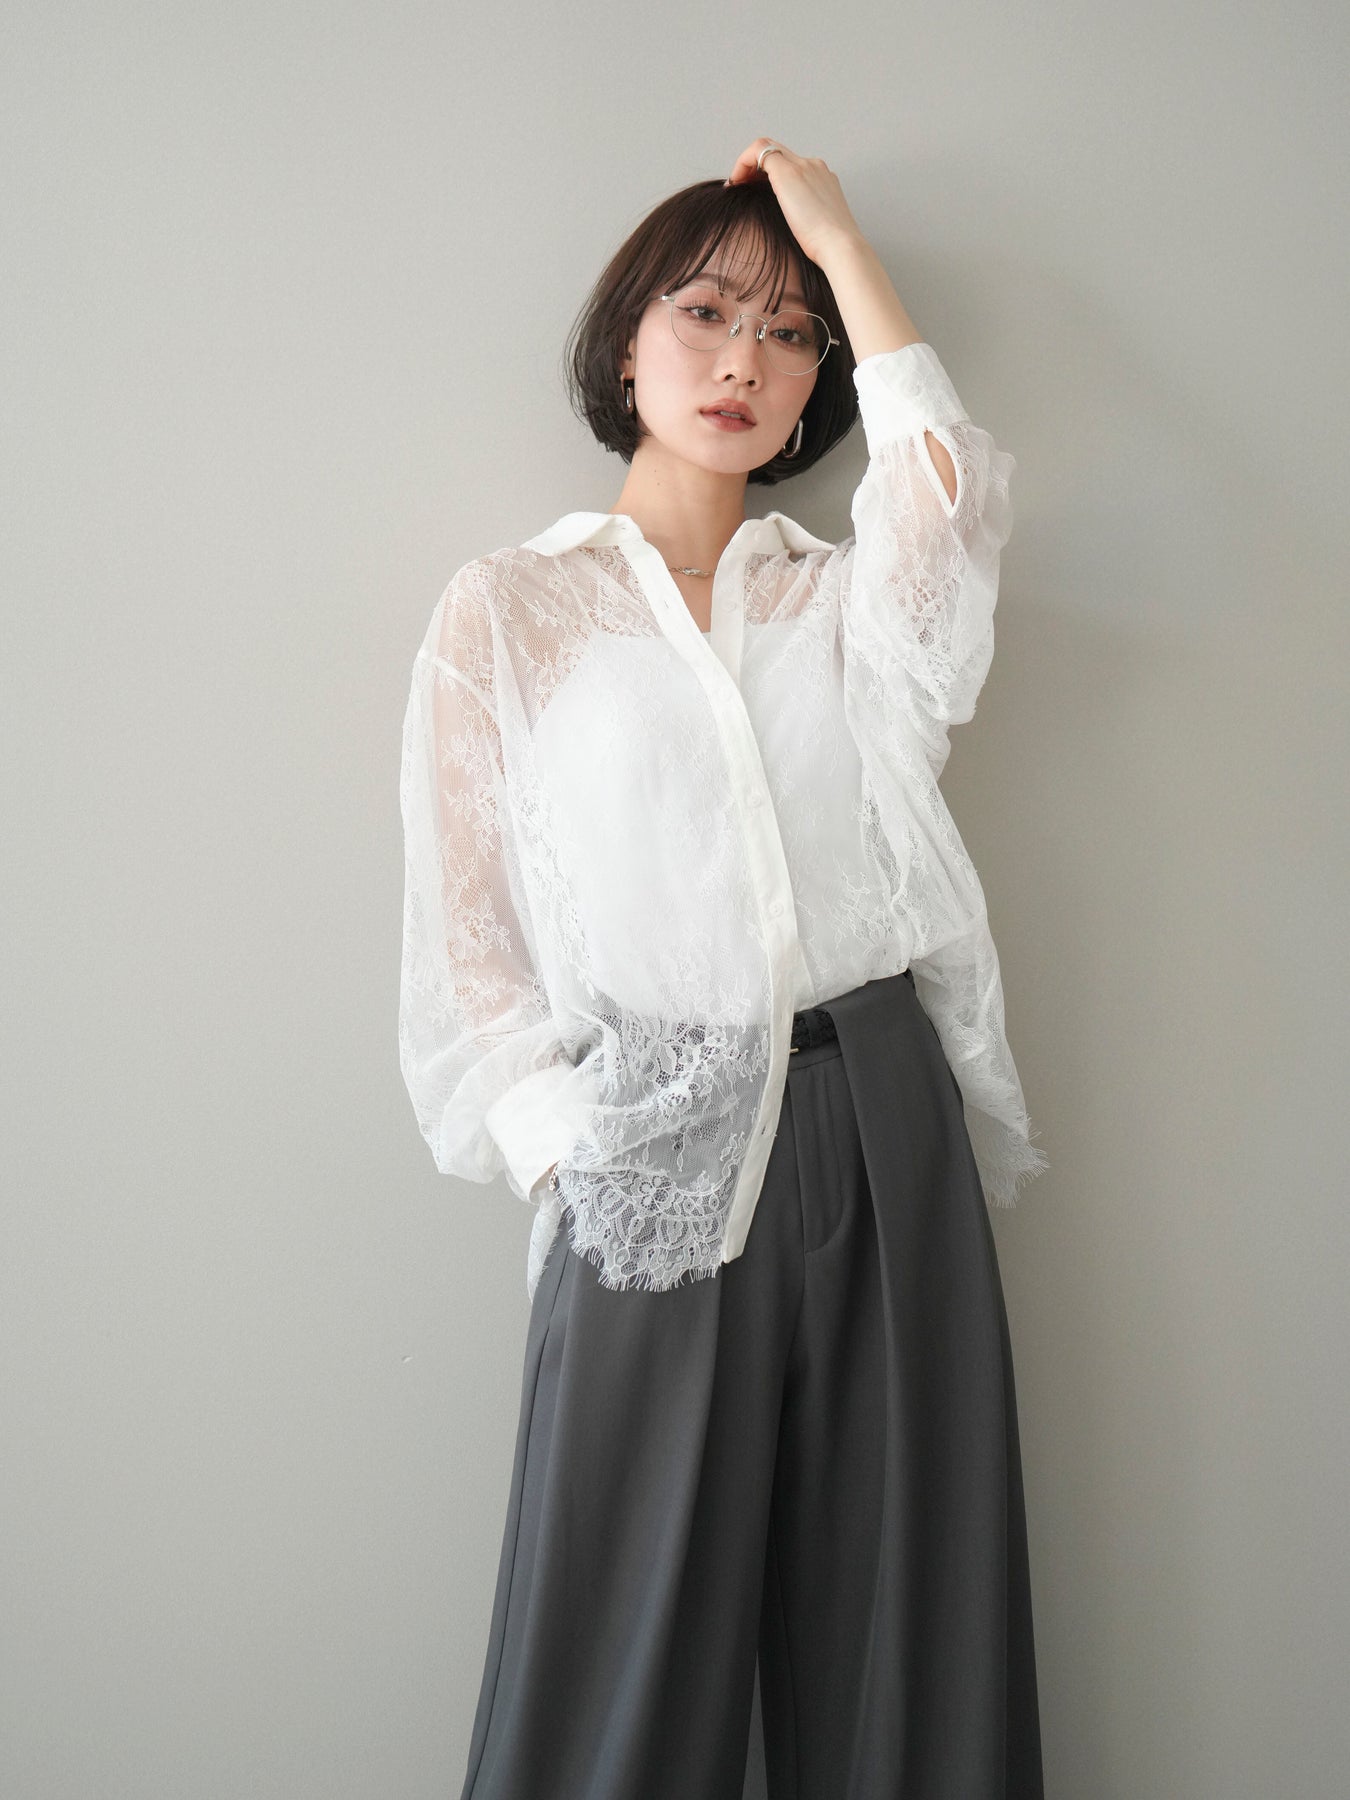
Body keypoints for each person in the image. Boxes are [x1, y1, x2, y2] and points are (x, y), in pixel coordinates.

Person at [398, 137, 1048, 1800]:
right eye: (704, 314)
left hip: (879, 1121)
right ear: (627, 343)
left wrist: (841, 245)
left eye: (788, 332)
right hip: (651, 1141)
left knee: (907, 1633)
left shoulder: (843, 603)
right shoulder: (514, 609)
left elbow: (945, 500)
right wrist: (574, 1160)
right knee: (617, 1649)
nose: (744, 360)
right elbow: (469, 939)